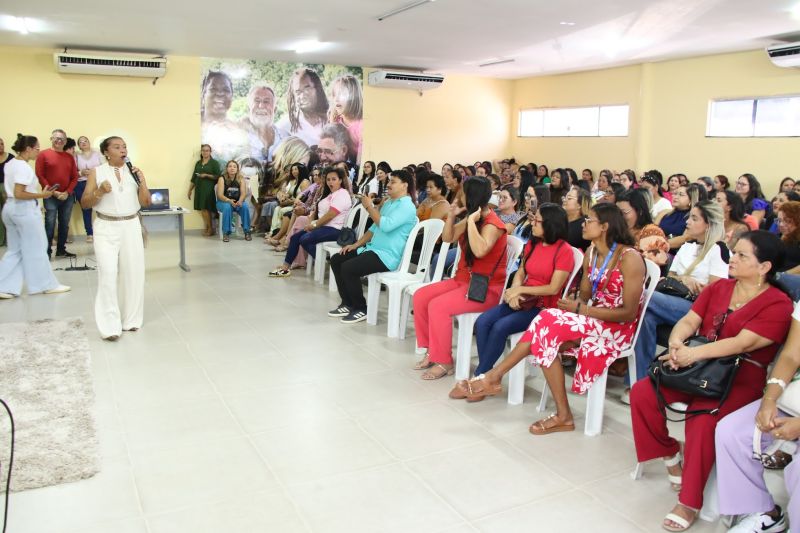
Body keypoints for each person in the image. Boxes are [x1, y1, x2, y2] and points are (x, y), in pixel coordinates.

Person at [630, 231, 793, 532]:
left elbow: (743, 344)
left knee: (703, 419)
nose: (734, 257)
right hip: (696, 366)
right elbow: (691, 319)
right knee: (643, 392)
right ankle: (669, 452)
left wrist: (692, 354)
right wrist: (678, 343)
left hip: (738, 378)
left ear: (764, 267)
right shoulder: (721, 289)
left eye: (743, 255)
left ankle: (689, 501)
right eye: (736, 251)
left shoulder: (778, 304)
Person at [456, 203, 645, 432]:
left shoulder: (629, 258)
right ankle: (561, 414)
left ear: (605, 226)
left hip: (616, 326)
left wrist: (581, 310)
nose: (583, 224)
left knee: (546, 320)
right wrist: (585, 283)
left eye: (589, 221)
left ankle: (494, 377)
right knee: (544, 337)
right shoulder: (592, 253)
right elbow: (586, 296)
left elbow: (629, 313)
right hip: (592, 318)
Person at [451, 203, 573, 388]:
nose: (532, 223)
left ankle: (480, 377)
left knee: (500, 327)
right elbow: (522, 271)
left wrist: (520, 291)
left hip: (543, 307)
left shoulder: (564, 251)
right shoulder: (533, 243)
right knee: (483, 321)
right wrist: (515, 291)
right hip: (524, 299)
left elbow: (553, 288)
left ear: (551, 224)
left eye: (537, 220)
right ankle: (487, 375)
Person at [625, 201, 728, 397]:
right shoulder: (687, 246)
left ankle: (614, 310)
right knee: (646, 318)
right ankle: (640, 383)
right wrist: (685, 279)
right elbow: (670, 277)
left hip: (696, 309)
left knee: (644, 295)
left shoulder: (719, 250)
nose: (687, 221)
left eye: (694, 218)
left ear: (708, 224)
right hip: (672, 300)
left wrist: (692, 283)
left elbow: (717, 292)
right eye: (689, 217)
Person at [715, 301, 800, 533]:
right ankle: (763, 512)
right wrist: (769, 401)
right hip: (794, 401)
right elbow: (792, 356)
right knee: (731, 432)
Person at [413, 176, 508, 380]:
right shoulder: (472, 217)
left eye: (462, 192)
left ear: (471, 195)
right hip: (463, 280)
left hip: (485, 289)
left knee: (438, 306)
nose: (458, 195)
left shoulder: (493, 223)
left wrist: (471, 223)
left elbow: (481, 250)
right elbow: (448, 238)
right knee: (421, 296)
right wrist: (452, 216)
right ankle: (432, 351)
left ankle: (445, 361)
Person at [80, 136, 151, 340]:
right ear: (106, 152)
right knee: (108, 273)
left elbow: (145, 202)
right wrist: (100, 191)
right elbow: (85, 202)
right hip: (105, 226)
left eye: (124, 147)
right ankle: (109, 325)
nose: (122, 150)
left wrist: (143, 182)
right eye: (117, 147)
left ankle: (131, 320)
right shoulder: (97, 172)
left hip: (131, 224)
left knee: (134, 272)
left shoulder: (134, 172)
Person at [328, 169, 417, 324]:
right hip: (372, 250)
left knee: (349, 268)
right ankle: (347, 303)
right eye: (388, 181)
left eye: (393, 182)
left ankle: (361, 308)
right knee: (337, 259)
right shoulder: (389, 203)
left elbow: (386, 226)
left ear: (405, 185)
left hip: (387, 256)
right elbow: (374, 228)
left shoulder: (407, 206)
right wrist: (355, 245)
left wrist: (369, 207)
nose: (388, 185)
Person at [0, 134, 70, 299]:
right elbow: (19, 193)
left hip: (10, 209)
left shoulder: (10, 164)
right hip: (23, 211)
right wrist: (42, 195)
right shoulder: (23, 167)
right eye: (37, 148)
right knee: (38, 247)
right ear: (28, 149)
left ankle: (4, 286)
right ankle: (44, 285)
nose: (38, 151)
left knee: (15, 250)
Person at [268, 167, 351, 278]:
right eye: (328, 179)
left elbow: (331, 214)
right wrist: (313, 222)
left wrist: (314, 225)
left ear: (340, 180)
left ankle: (325, 261)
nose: (330, 182)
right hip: (324, 227)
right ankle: (285, 267)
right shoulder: (330, 194)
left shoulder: (342, 194)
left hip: (335, 229)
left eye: (334, 179)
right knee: (295, 237)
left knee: (305, 239)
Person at [35, 128, 78, 258]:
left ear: (65, 141)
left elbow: (74, 177)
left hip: (67, 196)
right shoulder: (43, 155)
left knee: (64, 224)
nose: (59, 140)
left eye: (62, 139)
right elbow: (40, 175)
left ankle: (61, 250)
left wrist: (67, 192)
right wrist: (54, 192)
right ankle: (46, 252)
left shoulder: (69, 157)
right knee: (49, 224)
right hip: (50, 196)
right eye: (56, 138)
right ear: (51, 139)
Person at [276, 67, 329, 147]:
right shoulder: (285, 125)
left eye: (307, 88)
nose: (303, 95)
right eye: (298, 92)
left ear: (317, 89)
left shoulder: (331, 120)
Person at [238, 84, 286, 164]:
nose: (261, 106)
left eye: (266, 101)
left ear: (275, 109)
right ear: (248, 108)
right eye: (257, 101)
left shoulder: (285, 138)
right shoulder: (236, 138)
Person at [657, 184, 707, 252]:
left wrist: (657, 245)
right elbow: (651, 229)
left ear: (691, 199)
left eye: (681, 195)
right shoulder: (664, 212)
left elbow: (685, 238)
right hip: (655, 247)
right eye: (675, 194)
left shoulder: (693, 218)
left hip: (674, 253)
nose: (675, 197)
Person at [73, 136, 102, 243]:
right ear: (79, 145)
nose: (84, 143)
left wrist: (94, 173)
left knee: (101, 206)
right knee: (86, 209)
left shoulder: (97, 153)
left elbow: (103, 168)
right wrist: (81, 173)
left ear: (89, 142)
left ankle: (102, 232)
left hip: (96, 183)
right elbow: (72, 173)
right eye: (81, 142)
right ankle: (89, 234)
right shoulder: (76, 156)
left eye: (85, 141)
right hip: (81, 184)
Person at [188, 144, 221, 236]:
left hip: (209, 189)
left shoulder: (214, 163)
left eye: (207, 150)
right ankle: (208, 228)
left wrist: (206, 175)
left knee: (206, 208)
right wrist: (190, 190)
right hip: (199, 188)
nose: (205, 152)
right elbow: (194, 177)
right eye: (203, 150)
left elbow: (218, 176)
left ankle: (210, 229)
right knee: (203, 209)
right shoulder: (198, 163)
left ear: (210, 152)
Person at [215, 160, 251, 242]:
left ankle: (247, 231)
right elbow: (219, 195)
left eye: (234, 166)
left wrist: (241, 201)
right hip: (223, 202)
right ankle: (226, 233)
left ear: (237, 169)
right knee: (227, 207)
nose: (232, 168)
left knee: (245, 206)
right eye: (230, 166)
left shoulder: (241, 178)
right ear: (227, 168)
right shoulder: (222, 178)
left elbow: (243, 193)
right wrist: (229, 201)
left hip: (237, 202)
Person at [328, 74, 363, 156]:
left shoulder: (361, 125)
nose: (336, 99)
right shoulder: (335, 119)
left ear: (354, 97)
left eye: (341, 95)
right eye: (334, 95)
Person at [0, 137, 14, 247]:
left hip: (7, 187)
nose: (1, 146)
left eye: (2, 144)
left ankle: (11, 239)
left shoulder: (10, 157)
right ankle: (1, 240)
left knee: (9, 214)